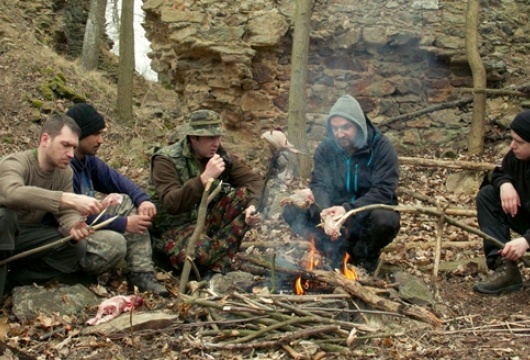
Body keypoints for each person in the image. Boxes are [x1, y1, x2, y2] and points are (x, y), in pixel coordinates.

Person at [282, 94, 401, 273]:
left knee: (385, 219)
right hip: (334, 211)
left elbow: (383, 190)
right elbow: (319, 183)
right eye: (335, 128)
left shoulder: (381, 147)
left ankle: (364, 259)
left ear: (359, 125)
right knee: (292, 210)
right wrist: (326, 212)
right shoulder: (327, 148)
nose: (340, 133)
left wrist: (348, 209)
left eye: (346, 127)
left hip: (365, 212)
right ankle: (335, 255)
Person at [65, 103, 168, 296]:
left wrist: (143, 200)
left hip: (87, 222)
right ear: (78, 135)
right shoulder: (64, 167)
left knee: (127, 201)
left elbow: (120, 183)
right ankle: (70, 275)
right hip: (68, 233)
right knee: (116, 243)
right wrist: (124, 224)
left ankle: (141, 272)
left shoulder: (88, 161)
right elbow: (70, 218)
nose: (101, 140)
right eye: (95, 134)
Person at [0, 114, 104, 300]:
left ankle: (12, 283)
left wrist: (73, 225)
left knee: (76, 247)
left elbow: (65, 211)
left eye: (73, 147)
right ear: (45, 140)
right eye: (65, 145)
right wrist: (66, 197)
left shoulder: (64, 172)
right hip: (4, 230)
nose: (71, 154)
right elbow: (10, 192)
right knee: (5, 217)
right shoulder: (15, 163)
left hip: (25, 236)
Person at [149, 109, 263, 275]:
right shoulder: (166, 159)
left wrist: (252, 206)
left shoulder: (221, 156)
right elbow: (170, 204)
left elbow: (254, 181)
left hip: (207, 221)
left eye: (218, 137)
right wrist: (203, 179)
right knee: (199, 254)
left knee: (244, 197)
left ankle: (218, 266)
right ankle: (197, 257)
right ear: (193, 138)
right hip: (175, 226)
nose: (216, 143)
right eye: (210, 138)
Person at [473, 109, 530, 294]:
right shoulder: (517, 156)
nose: (512, 145)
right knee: (488, 195)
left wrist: (526, 241)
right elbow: (498, 172)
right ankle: (503, 266)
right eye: (512, 139)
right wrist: (505, 184)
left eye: (519, 142)